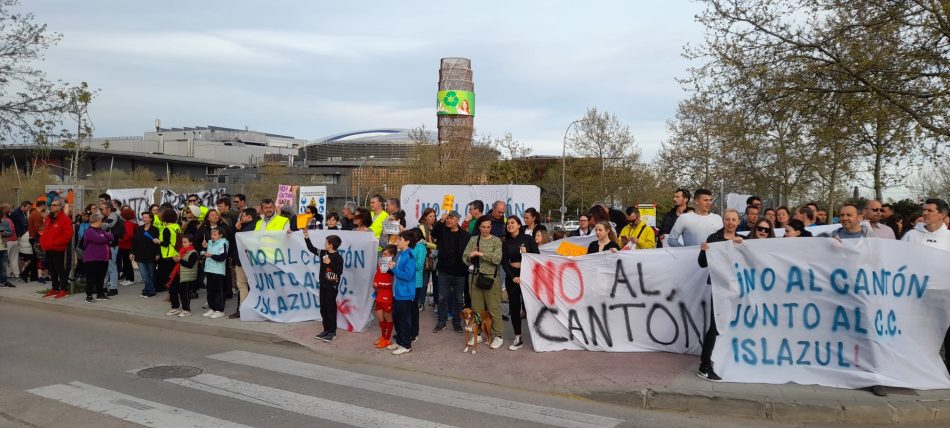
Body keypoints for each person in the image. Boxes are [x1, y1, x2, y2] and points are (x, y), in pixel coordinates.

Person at [697, 209, 744, 381]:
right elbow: (702, 264)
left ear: (738, 222)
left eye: (733, 219)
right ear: (723, 221)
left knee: (734, 325)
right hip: (718, 289)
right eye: (727, 219)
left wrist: (743, 246)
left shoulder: (742, 240)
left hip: (737, 289)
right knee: (716, 325)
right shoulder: (713, 238)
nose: (730, 222)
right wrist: (703, 251)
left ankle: (725, 361)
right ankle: (704, 366)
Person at [464, 216, 504, 349]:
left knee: (494, 308)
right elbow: (464, 258)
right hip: (475, 277)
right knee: (477, 309)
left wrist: (481, 254)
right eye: (483, 227)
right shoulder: (474, 239)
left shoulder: (496, 240)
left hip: (491, 278)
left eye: (488, 227)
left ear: (491, 227)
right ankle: (479, 333)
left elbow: (497, 259)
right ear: (479, 227)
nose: (486, 229)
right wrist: (471, 255)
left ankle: (498, 335)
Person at [501, 216, 539, 351]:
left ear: (518, 225)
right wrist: (513, 277)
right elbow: (504, 262)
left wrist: (526, 253)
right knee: (515, 309)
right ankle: (518, 337)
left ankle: (538, 337)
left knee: (531, 308)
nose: (510, 225)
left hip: (527, 277)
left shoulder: (527, 239)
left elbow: (537, 256)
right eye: (508, 224)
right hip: (513, 279)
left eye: (513, 223)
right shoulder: (505, 243)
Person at [432, 210, 470, 334]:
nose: (448, 220)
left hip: (459, 272)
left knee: (459, 299)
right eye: (447, 218)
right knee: (442, 297)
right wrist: (441, 220)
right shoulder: (442, 231)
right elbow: (434, 232)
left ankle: (456, 322)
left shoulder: (465, 235)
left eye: (451, 218)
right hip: (444, 270)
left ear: (457, 220)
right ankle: (441, 322)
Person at [306, 232, 344, 342]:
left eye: (326, 242)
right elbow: (311, 248)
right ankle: (326, 330)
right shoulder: (323, 253)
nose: (324, 244)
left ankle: (332, 332)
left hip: (332, 287)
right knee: (323, 308)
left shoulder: (338, 257)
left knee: (330, 308)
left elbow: (339, 271)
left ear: (331, 245)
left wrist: (330, 262)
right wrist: (306, 236)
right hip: (323, 285)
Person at [389, 230, 418, 355]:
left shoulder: (410, 255)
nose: (397, 241)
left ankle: (406, 345)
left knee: (404, 321)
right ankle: (399, 341)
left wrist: (393, 269)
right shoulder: (400, 254)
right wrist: (389, 268)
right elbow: (396, 271)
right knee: (397, 318)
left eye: (400, 239)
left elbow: (407, 275)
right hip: (397, 293)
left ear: (407, 242)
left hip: (406, 294)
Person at [229, 208, 259, 319]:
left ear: (249, 217)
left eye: (242, 216)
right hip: (246, 261)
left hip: (243, 262)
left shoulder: (247, 229)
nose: (241, 218)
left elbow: (237, 243)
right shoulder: (253, 226)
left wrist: (237, 230)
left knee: (242, 285)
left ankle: (243, 309)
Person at [40, 199, 72, 298]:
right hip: (48, 248)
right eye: (51, 205)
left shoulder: (65, 219)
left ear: (60, 207)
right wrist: (43, 242)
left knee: (61, 270)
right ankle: (55, 289)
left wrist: (56, 243)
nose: (52, 206)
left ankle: (64, 290)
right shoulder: (49, 218)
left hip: (59, 249)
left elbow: (68, 235)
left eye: (54, 205)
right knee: (52, 270)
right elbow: (45, 232)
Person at [82, 213, 113, 303]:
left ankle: (100, 294)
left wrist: (105, 236)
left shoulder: (101, 230)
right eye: (101, 221)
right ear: (97, 221)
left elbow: (111, 237)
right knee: (91, 278)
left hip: (103, 258)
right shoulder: (89, 231)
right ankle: (89, 296)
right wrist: (105, 237)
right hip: (92, 258)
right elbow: (99, 239)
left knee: (101, 277)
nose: (102, 223)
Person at [373, 244, 397, 349]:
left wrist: (382, 285)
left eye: (386, 254)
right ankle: (383, 337)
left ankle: (387, 339)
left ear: (392, 255)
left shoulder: (394, 266)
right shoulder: (380, 264)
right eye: (383, 253)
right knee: (379, 316)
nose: (383, 255)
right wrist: (374, 283)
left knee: (388, 318)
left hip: (387, 295)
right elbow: (377, 275)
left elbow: (393, 281)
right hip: (379, 294)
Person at [202, 227, 229, 319]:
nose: (212, 236)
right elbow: (204, 252)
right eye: (211, 234)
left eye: (215, 234)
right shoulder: (209, 243)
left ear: (220, 235)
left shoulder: (223, 243)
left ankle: (220, 310)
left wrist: (211, 255)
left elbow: (222, 257)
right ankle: (212, 308)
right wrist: (204, 249)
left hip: (218, 270)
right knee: (210, 291)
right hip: (209, 269)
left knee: (219, 291)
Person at [169, 234, 198, 318]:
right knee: (172, 290)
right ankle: (175, 307)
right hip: (178, 273)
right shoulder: (182, 250)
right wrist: (176, 259)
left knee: (184, 293)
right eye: (182, 242)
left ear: (191, 243)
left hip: (186, 276)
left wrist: (179, 260)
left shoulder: (193, 252)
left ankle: (186, 310)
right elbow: (180, 261)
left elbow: (190, 265)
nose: (183, 244)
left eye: (185, 242)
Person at [132, 212, 160, 297]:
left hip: (151, 255)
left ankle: (146, 290)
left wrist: (158, 254)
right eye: (143, 217)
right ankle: (152, 291)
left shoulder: (155, 229)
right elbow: (134, 242)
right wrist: (131, 252)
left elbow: (157, 243)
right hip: (139, 255)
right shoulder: (138, 229)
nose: (144, 219)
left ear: (151, 219)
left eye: (146, 217)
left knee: (151, 274)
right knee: (144, 274)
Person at [156, 208, 181, 298]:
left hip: (167, 255)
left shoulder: (167, 229)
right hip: (176, 254)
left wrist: (158, 241)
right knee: (174, 276)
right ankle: (174, 293)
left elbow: (165, 243)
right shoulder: (177, 226)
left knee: (164, 275)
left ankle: (171, 295)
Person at [99, 202, 122, 295]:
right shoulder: (107, 217)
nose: (100, 211)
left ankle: (113, 288)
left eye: (102, 209)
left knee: (111, 267)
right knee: (106, 267)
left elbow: (105, 226)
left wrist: (97, 223)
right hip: (107, 245)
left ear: (108, 209)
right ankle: (104, 286)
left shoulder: (113, 216)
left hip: (112, 246)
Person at [410, 228, 427, 341]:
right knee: (406, 309)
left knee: (413, 310)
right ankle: (406, 331)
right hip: (407, 280)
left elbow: (419, 266)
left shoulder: (421, 248)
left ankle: (414, 333)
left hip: (416, 282)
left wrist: (407, 260)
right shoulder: (411, 247)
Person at [117, 208, 136, 286]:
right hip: (125, 246)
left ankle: (130, 279)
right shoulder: (130, 223)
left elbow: (129, 234)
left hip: (126, 246)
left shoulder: (128, 223)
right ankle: (128, 278)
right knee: (126, 263)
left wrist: (120, 240)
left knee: (127, 263)